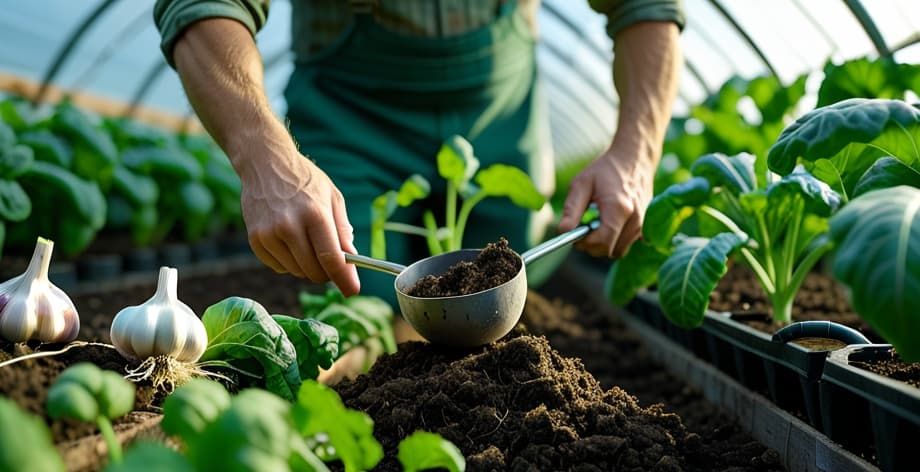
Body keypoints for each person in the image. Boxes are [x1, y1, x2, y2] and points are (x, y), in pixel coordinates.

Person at [153, 0, 682, 348]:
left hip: (497, 101)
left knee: (513, 255)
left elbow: (645, 6)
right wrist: (264, 158)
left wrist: (636, 153)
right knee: (350, 288)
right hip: (350, 109)